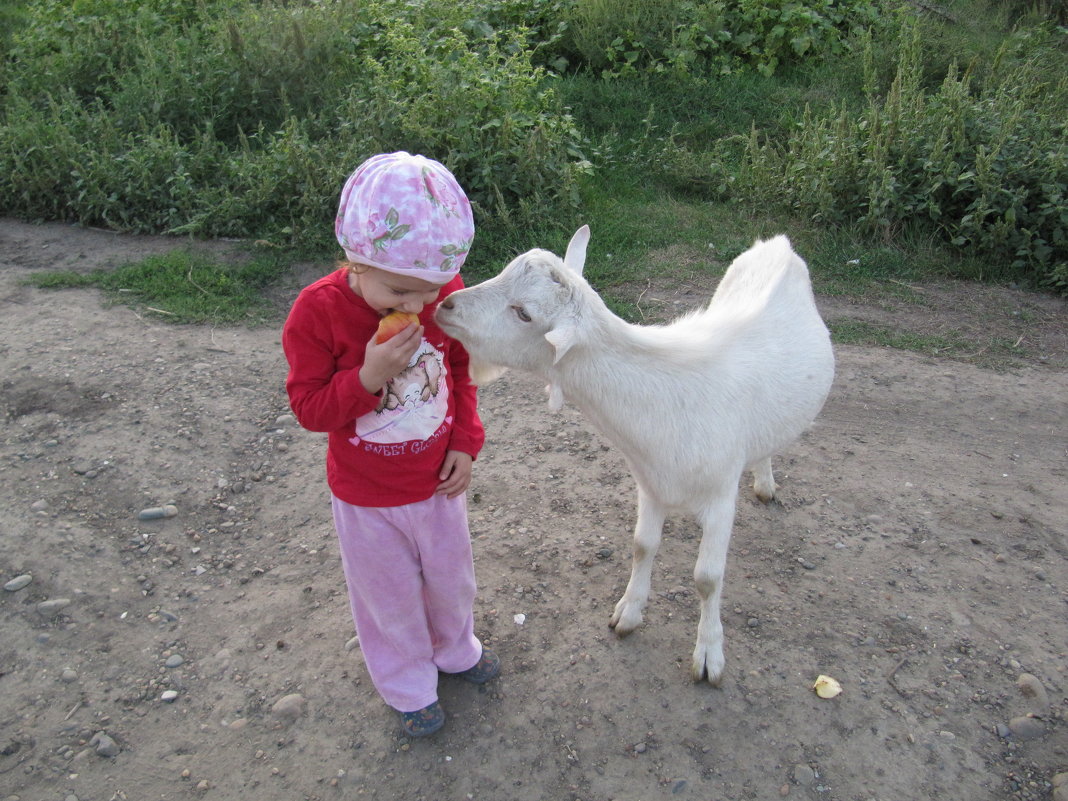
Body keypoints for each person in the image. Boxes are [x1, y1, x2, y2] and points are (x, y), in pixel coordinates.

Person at [282, 152, 498, 737]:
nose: (415, 307)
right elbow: (309, 409)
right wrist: (369, 377)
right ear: (357, 259)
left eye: (429, 295)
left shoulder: (436, 289)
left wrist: (464, 441)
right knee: (390, 596)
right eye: (399, 293)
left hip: (436, 483)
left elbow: (458, 368)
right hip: (365, 497)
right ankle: (407, 682)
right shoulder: (317, 313)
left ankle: (455, 649)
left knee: (453, 578)